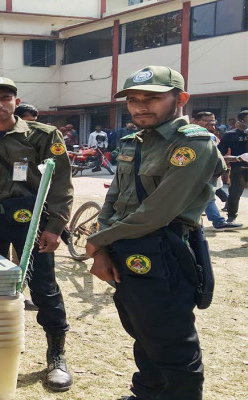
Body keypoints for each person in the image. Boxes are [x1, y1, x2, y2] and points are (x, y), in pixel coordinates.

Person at [86, 66, 225, 400]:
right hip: (123, 246)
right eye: (133, 100)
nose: (140, 106)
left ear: (181, 98)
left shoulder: (193, 144)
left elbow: (159, 212)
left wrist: (98, 240)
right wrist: (102, 248)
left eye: (152, 98)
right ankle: (147, 393)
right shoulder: (134, 142)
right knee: (143, 331)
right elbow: (113, 199)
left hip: (164, 249)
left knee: (171, 343)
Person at [0, 77, 74, 392]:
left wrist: (55, 227)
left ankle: (56, 354)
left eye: (5, 98)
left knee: (43, 286)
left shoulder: (43, 136)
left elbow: (61, 184)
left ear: (16, 102)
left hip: (30, 221)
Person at [192, 111, 240, 230]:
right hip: (195, 172)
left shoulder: (211, 136)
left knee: (207, 195)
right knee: (205, 196)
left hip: (206, 172)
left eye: (213, 121)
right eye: (206, 121)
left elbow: (215, 155)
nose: (211, 124)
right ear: (195, 121)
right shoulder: (189, 136)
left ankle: (216, 221)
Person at [218, 110, 248, 224]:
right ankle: (231, 217)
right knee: (235, 193)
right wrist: (236, 158)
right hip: (238, 168)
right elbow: (220, 152)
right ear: (240, 120)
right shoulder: (230, 135)